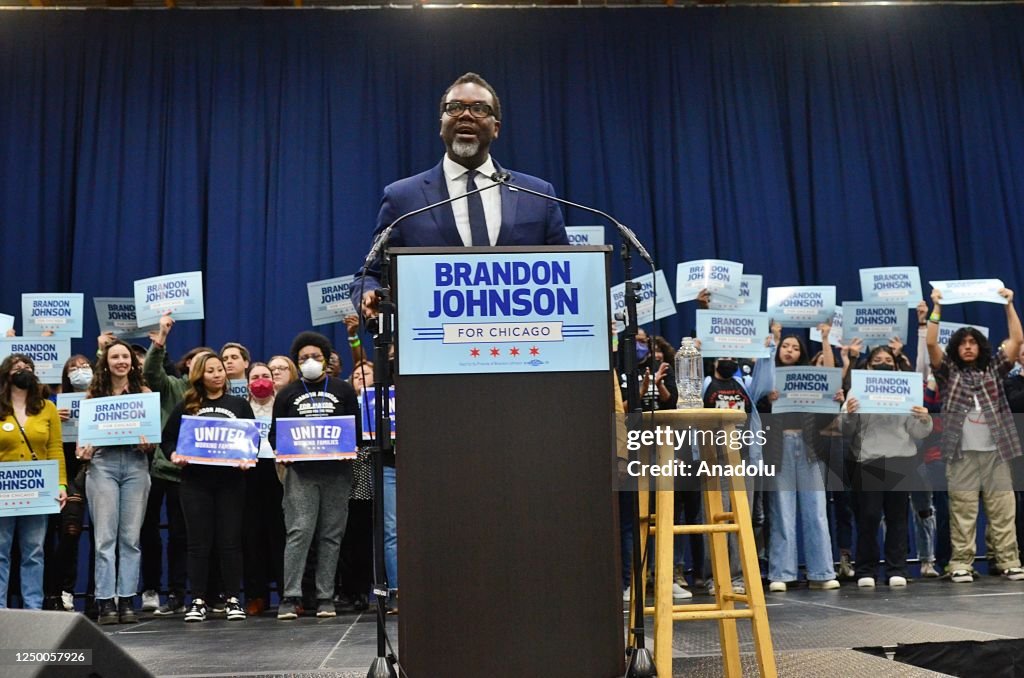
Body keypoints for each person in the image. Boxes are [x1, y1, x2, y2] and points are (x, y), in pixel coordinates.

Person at [353, 72, 567, 315]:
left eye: (479, 109)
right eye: (454, 108)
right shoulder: (403, 198)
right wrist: (368, 294)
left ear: (496, 128)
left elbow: (565, 272)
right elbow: (370, 275)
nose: (465, 115)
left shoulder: (538, 195)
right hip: (433, 344)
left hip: (522, 342)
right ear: (441, 124)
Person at [925, 287, 1024, 582]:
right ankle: (960, 564)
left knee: (1003, 510)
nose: (968, 346)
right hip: (961, 453)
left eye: (973, 342)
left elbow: (1017, 341)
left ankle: (1009, 561)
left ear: (980, 346)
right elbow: (931, 342)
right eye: (963, 343)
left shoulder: (994, 369)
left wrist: (1009, 305)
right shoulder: (948, 373)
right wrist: (937, 308)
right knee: (962, 511)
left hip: (996, 452)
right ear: (956, 348)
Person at [269, 331, 360, 620]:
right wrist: (283, 450)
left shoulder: (343, 391)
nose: (310, 361)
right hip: (301, 474)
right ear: (297, 362)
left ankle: (325, 596)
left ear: (326, 360)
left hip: (337, 472)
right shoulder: (287, 393)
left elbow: (355, 430)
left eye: (316, 357)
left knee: (332, 534)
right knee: (299, 531)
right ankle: (290, 596)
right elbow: (275, 434)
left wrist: (351, 446)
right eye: (304, 358)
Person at [163, 352, 256, 623]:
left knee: (229, 542)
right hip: (195, 483)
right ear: (199, 375)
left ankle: (232, 599)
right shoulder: (187, 405)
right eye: (211, 370)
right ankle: (199, 599)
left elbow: (253, 439)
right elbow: (168, 440)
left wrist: (246, 459)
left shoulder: (239, 405)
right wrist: (174, 456)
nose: (217, 374)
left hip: (230, 483)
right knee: (198, 544)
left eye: (220, 370)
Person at [841, 346, 933, 587]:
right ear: (869, 365)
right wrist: (849, 414)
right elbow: (844, 430)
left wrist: (924, 418)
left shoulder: (907, 390)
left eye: (888, 360)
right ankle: (866, 570)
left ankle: (897, 568)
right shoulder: (857, 390)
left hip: (901, 458)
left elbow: (917, 431)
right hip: (868, 459)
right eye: (877, 360)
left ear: (895, 364)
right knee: (869, 516)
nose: (883, 363)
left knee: (897, 517)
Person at [77, 340, 154, 624]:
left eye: (126, 356)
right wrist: (84, 450)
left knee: (130, 539)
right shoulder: (93, 396)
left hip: (135, 464)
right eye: (115, 357)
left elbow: (152, 440)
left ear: (132, 362)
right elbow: (83, 443)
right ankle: (106, 601)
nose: (121, 361)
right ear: (106, 362)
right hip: (103, 465)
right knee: (104, 538)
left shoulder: (143, 393)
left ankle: (126, 600)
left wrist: (148, 444)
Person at [142, 313, 212, 617]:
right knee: (159, 532)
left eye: (209, 364)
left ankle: (185, 593)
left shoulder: (215, 396)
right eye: (197, 362)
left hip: (196, 474)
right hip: (165, 471)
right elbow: (151, 374)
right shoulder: (173, 387)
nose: (202, 367)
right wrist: (161, 342)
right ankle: (164, 591)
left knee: (185, 537)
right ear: (187, 365)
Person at [0, 354, 67, 609]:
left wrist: (61, 485)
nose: (23, 369)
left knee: (34, 551)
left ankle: (33, 609)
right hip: (3, 491)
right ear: (6, 373)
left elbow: (56, 448)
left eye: (27, 366)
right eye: (17, 367)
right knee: (0, 552)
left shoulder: (47, 407)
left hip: (38, 490)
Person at [44, 355, 93, 611]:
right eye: (73, 368)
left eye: (84, 366)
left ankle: (99, 596)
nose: (80, 371)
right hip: (66, 472)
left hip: (95, 468)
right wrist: (54, 419)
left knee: (100, 536)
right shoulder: (52, 404)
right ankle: (61, 590)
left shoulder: (102, 398)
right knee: (68, 531)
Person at [241, 362, 285, 617]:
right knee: (252, 537)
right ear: (248, 383)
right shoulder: (241, 408)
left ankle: (287, 593)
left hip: (279, 474)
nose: (261, 381)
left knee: (280, 536)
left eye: (265, 376)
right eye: (255, 377)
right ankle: (256, 596)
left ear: (274, 380)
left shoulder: (284, 405)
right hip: (249, 475)